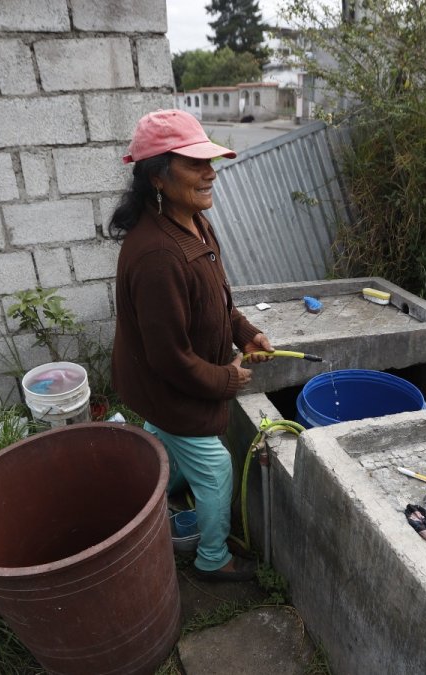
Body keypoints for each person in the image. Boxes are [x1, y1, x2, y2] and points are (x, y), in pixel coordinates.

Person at [110, 110, 274, 583]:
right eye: (196, 163)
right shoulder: (159, 254)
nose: (211, 172)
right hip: (168, 387)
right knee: (217, 469)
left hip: (161, 386)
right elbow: (169, 358)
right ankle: (212, 559)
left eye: (211, 160)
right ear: (158, 176)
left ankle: (150, 498)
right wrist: (228, 378)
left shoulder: (193, 222)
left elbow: (215, 299)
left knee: (164, 446)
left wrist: (243, 333)